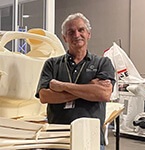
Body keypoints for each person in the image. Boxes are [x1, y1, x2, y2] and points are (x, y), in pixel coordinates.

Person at [35, 12, 115, 150]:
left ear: (88, 34)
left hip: (91, 138)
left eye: (81, 30)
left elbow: (103, 94)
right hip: (56, 138)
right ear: (64, 37)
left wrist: (62, 86)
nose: (76, 35)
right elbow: (44, 96)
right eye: (71, 32)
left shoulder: (102, 63)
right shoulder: (52, 64)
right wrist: (89, 88)